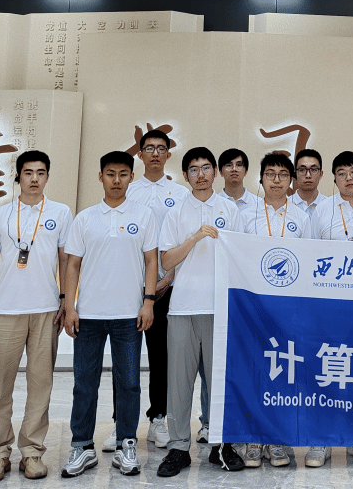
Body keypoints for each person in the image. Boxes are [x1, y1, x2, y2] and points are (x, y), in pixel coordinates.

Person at [60, 151, 159, 479]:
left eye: (123, 174)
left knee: (129, 383)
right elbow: (72, 265)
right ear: (100, 177)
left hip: (129, 315)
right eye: (110, 174)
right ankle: (82, 446)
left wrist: (148, 302)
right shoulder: (85, 218)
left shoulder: (144, 215)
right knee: (84, 384)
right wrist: (70, 306)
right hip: (88, 315)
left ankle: (126, 443)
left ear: (131, 177)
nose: (117, 180)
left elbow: (151, 261)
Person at [0, 151, 72, 483]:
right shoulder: (0, 215)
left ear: (47, 177)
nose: (34, 178)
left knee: (40, 385)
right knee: (0, 388)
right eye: (28, 172)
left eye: (41, 172)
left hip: (47, 310)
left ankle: (32, 451)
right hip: (6, 311)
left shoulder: (61, 213)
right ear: (18, 176)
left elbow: (66, 261)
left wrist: (66, 300)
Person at [156, 147, 246, 477]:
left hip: (219, 307)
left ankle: (221, 445)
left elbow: (240, 255)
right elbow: (166, 260)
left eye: (206, 168)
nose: (201, 175)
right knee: (179, 383)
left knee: (219, 381)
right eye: (194, 170)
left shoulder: (229, 209)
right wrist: (194, 238)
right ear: (185, 176)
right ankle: (179, 447)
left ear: (215, 172)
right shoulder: (176, 212)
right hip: (183, 307)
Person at [300, 151, 353, 468]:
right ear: (333, 178)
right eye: (341, 173)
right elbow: (309, 255)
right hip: (329, 307)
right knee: (326, 370)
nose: (348, 178)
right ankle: (320, 439)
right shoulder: (321, 211)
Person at [236, 153, 313, 467]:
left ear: (291, 180)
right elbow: (237, 257)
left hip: (289, 309)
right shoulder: (247, 215)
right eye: (270, 174)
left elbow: (308, 260)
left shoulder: (302, 217)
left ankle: (279, 439)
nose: (277, 180)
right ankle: (255, 437)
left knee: (284, 371)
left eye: (283, 174)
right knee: (256, 370)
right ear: (261, 179)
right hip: (253, 306)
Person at [123, 129, 188, 453]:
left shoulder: (180, 193)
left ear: (168, 154)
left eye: (161, 148)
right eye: (149, 148)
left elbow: (182, 238)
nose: (155, 153)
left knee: (161, 356)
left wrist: (169, 275)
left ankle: (158, 417)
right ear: (140, 154)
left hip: (166, 286)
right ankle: (122, 423)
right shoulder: (128, 191)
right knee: (126, 357)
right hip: (129, 287)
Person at [216, 147, 257, 213]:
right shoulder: (213, 203)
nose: (234, 169)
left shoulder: (258, 204)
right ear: (221, 172)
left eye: (239, 165)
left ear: (246, 171)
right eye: (229, 165)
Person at [292, 148, 326, 217]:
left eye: (313, 170)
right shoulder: (285, 206)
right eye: (302, 170)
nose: (308, 175)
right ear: (295, 174)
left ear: (320, 174)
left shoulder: (331, 206)